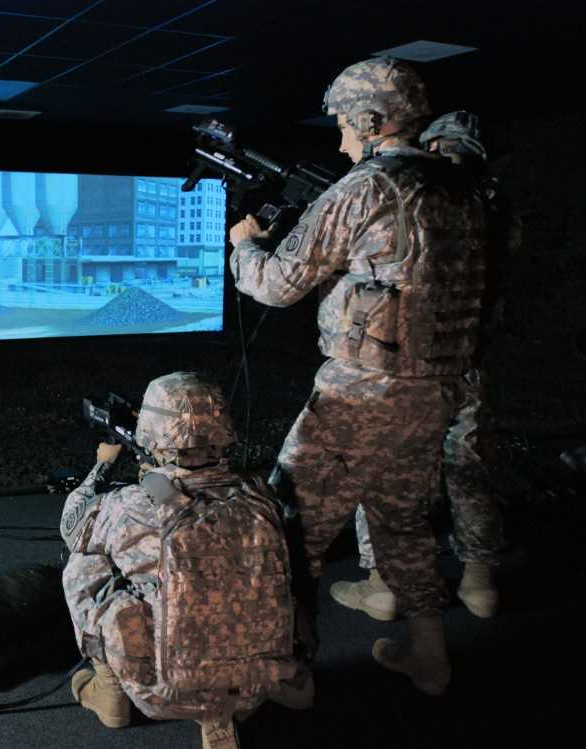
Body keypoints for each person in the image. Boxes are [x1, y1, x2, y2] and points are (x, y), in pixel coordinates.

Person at [227, 57, 489, 695]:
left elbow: (277, 284)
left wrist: (245, 246)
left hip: (363, 395)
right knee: (402, 520)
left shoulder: (367, 187)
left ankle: (288, 671)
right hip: (436, 392)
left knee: (291, 523)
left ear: (372, 122)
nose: (341, 140)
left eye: (345, 125)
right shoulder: (462, 189)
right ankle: (430, 655)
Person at [332, 111, 522, 622]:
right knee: (469, 468)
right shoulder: (492, 203)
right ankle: (479, 582)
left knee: (384, 469)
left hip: (407, 367)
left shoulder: (422, 197)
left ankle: (383, 584)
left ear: (434, 146)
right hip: (470, 361)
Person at [60, 372, 310, 749]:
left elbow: (70, 524)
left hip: (164, 693)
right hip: (258, 683)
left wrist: (102, 465)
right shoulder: (261, 497)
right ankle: (230, 709)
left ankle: (110, 691)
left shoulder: (130, 506)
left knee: (82, 565)